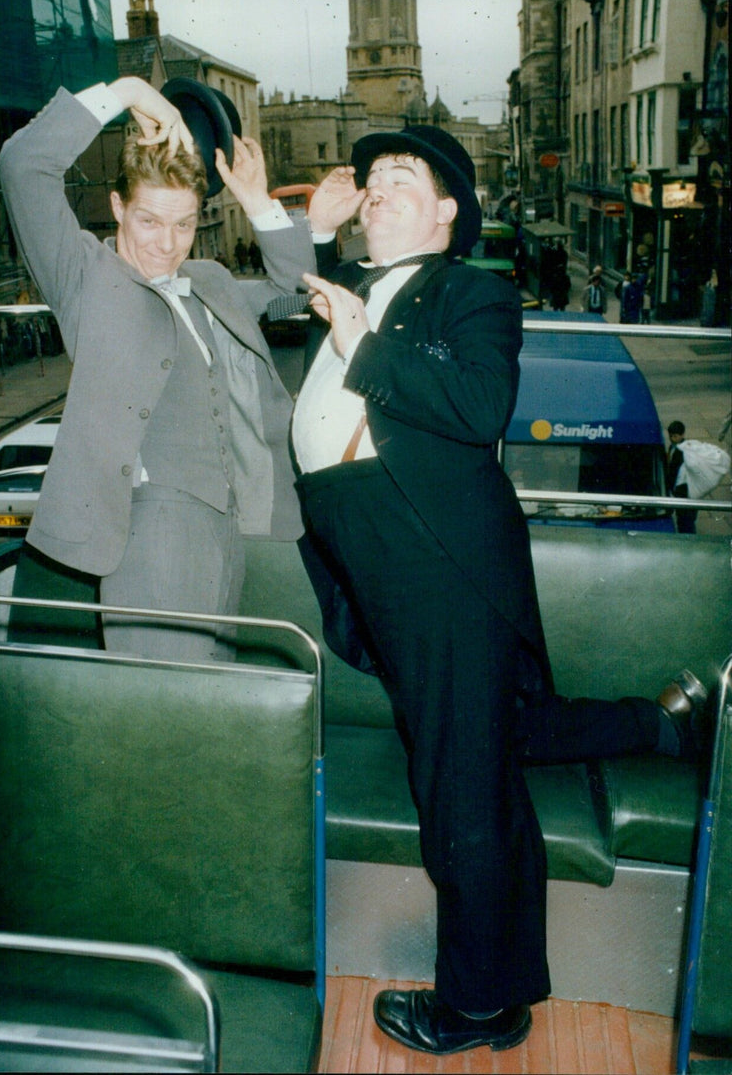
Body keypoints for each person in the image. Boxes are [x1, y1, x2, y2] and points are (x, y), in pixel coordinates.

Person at [289, 126, 707, 1056]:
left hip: (436, 558)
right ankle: (669, 723)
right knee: (495, 739)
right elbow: (322, 317)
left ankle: (476, 1006)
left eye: (402, 177)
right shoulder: (362, 290)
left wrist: (361, 344)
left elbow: (479, 407)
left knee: (458, 787)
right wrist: (320, 244)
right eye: (372, 180)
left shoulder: (473, 292)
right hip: (384, 559)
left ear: (447, 214)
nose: (378, 186)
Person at [0, 75, 314, 661]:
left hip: (228, 529)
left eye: (185, 224)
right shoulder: (85, 278)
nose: (168, 244)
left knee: (208, 699)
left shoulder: (209, 281)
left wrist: (255, 200)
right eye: (149, 221)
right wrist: (127, 91)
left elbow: (292, 290)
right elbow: (23, 166)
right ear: (117, 207)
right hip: (151, 536)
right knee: (162, 719)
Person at [666, 420, 698, 534]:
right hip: (678, 490)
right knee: (682, 519)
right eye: (670, 436)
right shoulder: (673, 447)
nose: (672, 439)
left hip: (686, 492)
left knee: (686, 521)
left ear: (682, 435)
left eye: (675, 436)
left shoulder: (686, 451)